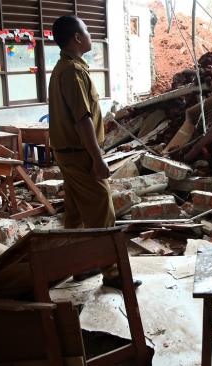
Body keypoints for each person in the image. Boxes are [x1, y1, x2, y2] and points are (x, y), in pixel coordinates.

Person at [48, 15, 141, 290]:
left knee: (75, 213)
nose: (90, 35)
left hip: (69, 154)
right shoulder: (72, 72)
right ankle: (113, 273)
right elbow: (82, 119)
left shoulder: (65, 67)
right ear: (77, 38)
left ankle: (77, 266)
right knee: (102, 209)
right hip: (79, 154)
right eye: (87, 31)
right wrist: (98, 159)